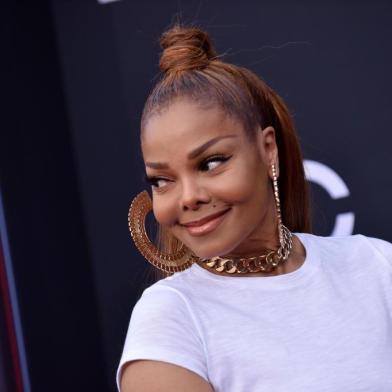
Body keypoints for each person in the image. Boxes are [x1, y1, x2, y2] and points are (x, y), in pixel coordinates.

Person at [117, 24, 392, 392]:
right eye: (162, 180)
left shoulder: (375, 265)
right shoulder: (171, 318)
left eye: (211, 162)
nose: (187, 197)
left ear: (267, 150)